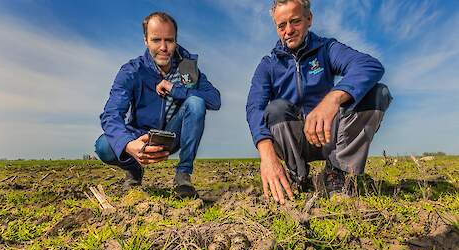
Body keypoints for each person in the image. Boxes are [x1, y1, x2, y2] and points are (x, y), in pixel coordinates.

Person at [246, 0, 392, 204]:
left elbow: (369, 66)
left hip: (330, 135)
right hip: (294, 140)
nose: (288, 30)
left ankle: (337, 174)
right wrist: (267, 156)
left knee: (378, 93)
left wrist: (332, 99)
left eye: (295, 21)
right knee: (275, 109)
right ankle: (298, 176)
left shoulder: (326, 48)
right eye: (281, 25)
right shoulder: (268, 65)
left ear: (309, 19)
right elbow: (254, 108)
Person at [95, 12, 221, 198]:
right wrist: (129, 144)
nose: (163, 47)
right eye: (156, 40)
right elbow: (111, 115)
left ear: (176, 40)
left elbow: (215, 100)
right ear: (145, 40)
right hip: (141, 137)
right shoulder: (132, 71)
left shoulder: (188, 69)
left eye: (169, 40)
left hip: (173, 135)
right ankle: (134, 170)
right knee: (104, 146)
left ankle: (183, 176)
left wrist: (174, 89)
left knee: (196, 102)